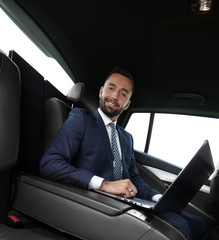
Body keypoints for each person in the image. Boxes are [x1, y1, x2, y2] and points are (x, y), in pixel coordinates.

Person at [40, 67, 209, 240]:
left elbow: (134, 178)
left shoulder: (126, 138)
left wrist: (157, 197)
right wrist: (104, 184)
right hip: (97, 202)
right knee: (181, 228)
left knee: (201, 224)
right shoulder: (81, 119)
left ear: (127, 104)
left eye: (123, 94)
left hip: (130, 203)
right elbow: (50, 164)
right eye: (111, 88)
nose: (114, 96)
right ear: (101, 91)